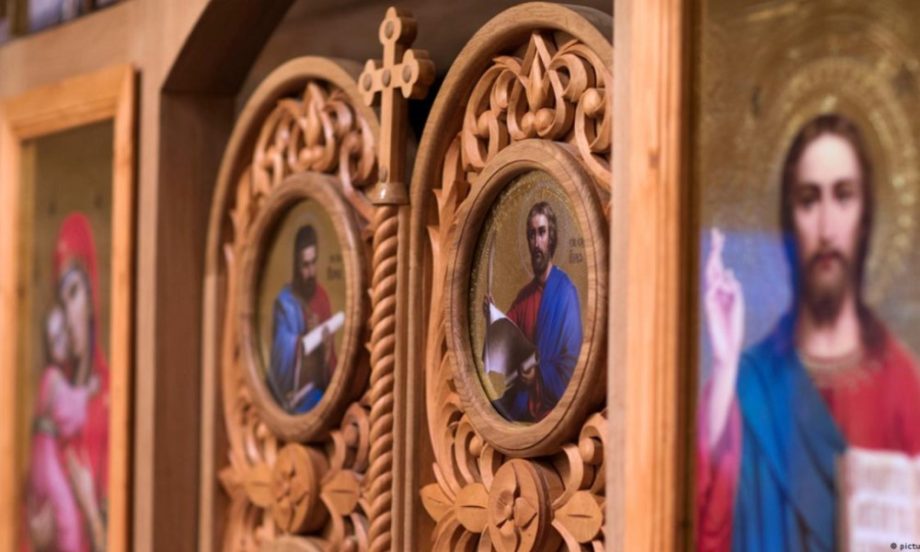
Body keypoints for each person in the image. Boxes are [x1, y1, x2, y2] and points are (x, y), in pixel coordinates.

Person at [697, 114, 920, 551]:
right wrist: (724, 365)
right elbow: (701, 525)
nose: (826, 226)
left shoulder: (903, 387)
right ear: (789, 221)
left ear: (865, 216)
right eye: (808, 199)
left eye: (844, 195)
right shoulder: (748, 384)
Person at [24, 213, 109, 552]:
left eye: (74, 293)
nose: (68, 312)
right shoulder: (56, 388)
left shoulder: (108, 397)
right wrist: (36, 533)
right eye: (61, 300)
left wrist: (90, 508)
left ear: (91, 296)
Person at [484, 201, 583, 422]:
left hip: (551, 409)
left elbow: (573, 365)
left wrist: (538, 376)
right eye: (531, 235)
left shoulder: (566, 293)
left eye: (542, 232)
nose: (537, 242)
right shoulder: (524, 297)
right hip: (521, 400)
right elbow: (506, 335)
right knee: (488, 411)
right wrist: (491, 316)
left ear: (551, 237)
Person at [268, 225, 336, 414]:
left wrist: (325, 348)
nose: (311, 271)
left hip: (317, 396)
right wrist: (304, 340)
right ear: (296, 266)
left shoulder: (322, 297)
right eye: (305, 265)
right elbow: (279, 358)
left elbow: (331, 366)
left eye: (314, 263)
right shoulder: (285, 303)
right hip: (292, 398)